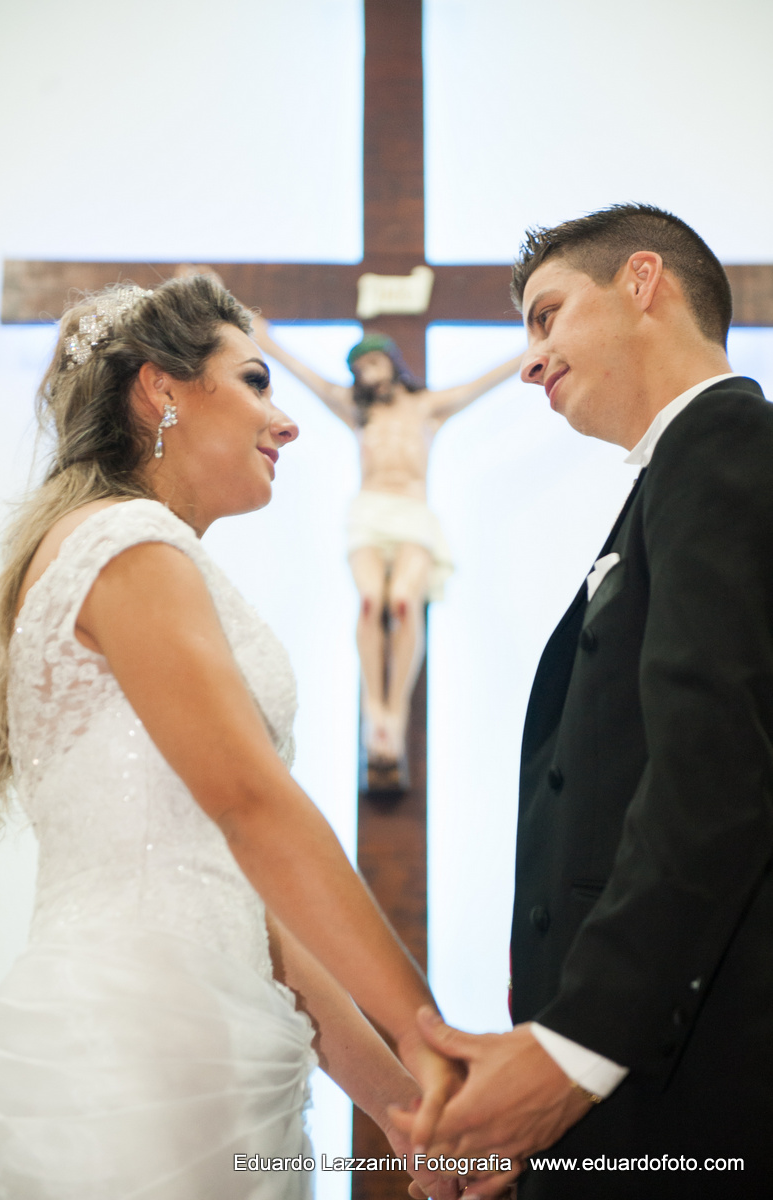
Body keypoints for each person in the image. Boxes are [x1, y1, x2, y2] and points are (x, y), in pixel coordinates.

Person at [0, 276, 461, 1199]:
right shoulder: (127, 543)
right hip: (138, 1056)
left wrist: (409, 1116)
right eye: (255, 381)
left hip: (215, 1041)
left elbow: (254, 911)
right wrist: (433, 1040)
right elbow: (254, 807)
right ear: (162, 388)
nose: (288, 422)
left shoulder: (140, 550)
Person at [394, 204, 773, 1199]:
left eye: (546, 315)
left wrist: (576, 1051)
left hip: (696, 1079)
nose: (529, 362)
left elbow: (713, 767)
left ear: (642, 281)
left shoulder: (727, 443)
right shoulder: (671, 478)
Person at [252, 320, 522, 778]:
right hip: (369, 513)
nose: (369, 374)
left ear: (392, 363)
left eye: (374, 363)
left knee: (402, 603)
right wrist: (264, 339)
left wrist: (529, 347)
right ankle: (373, 710)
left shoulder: (426, 406)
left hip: (413, 513)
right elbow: (307, 376)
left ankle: (394, 712)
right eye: (360, 368)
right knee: (370, 601)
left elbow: (481, 384)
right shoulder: (357, 410)